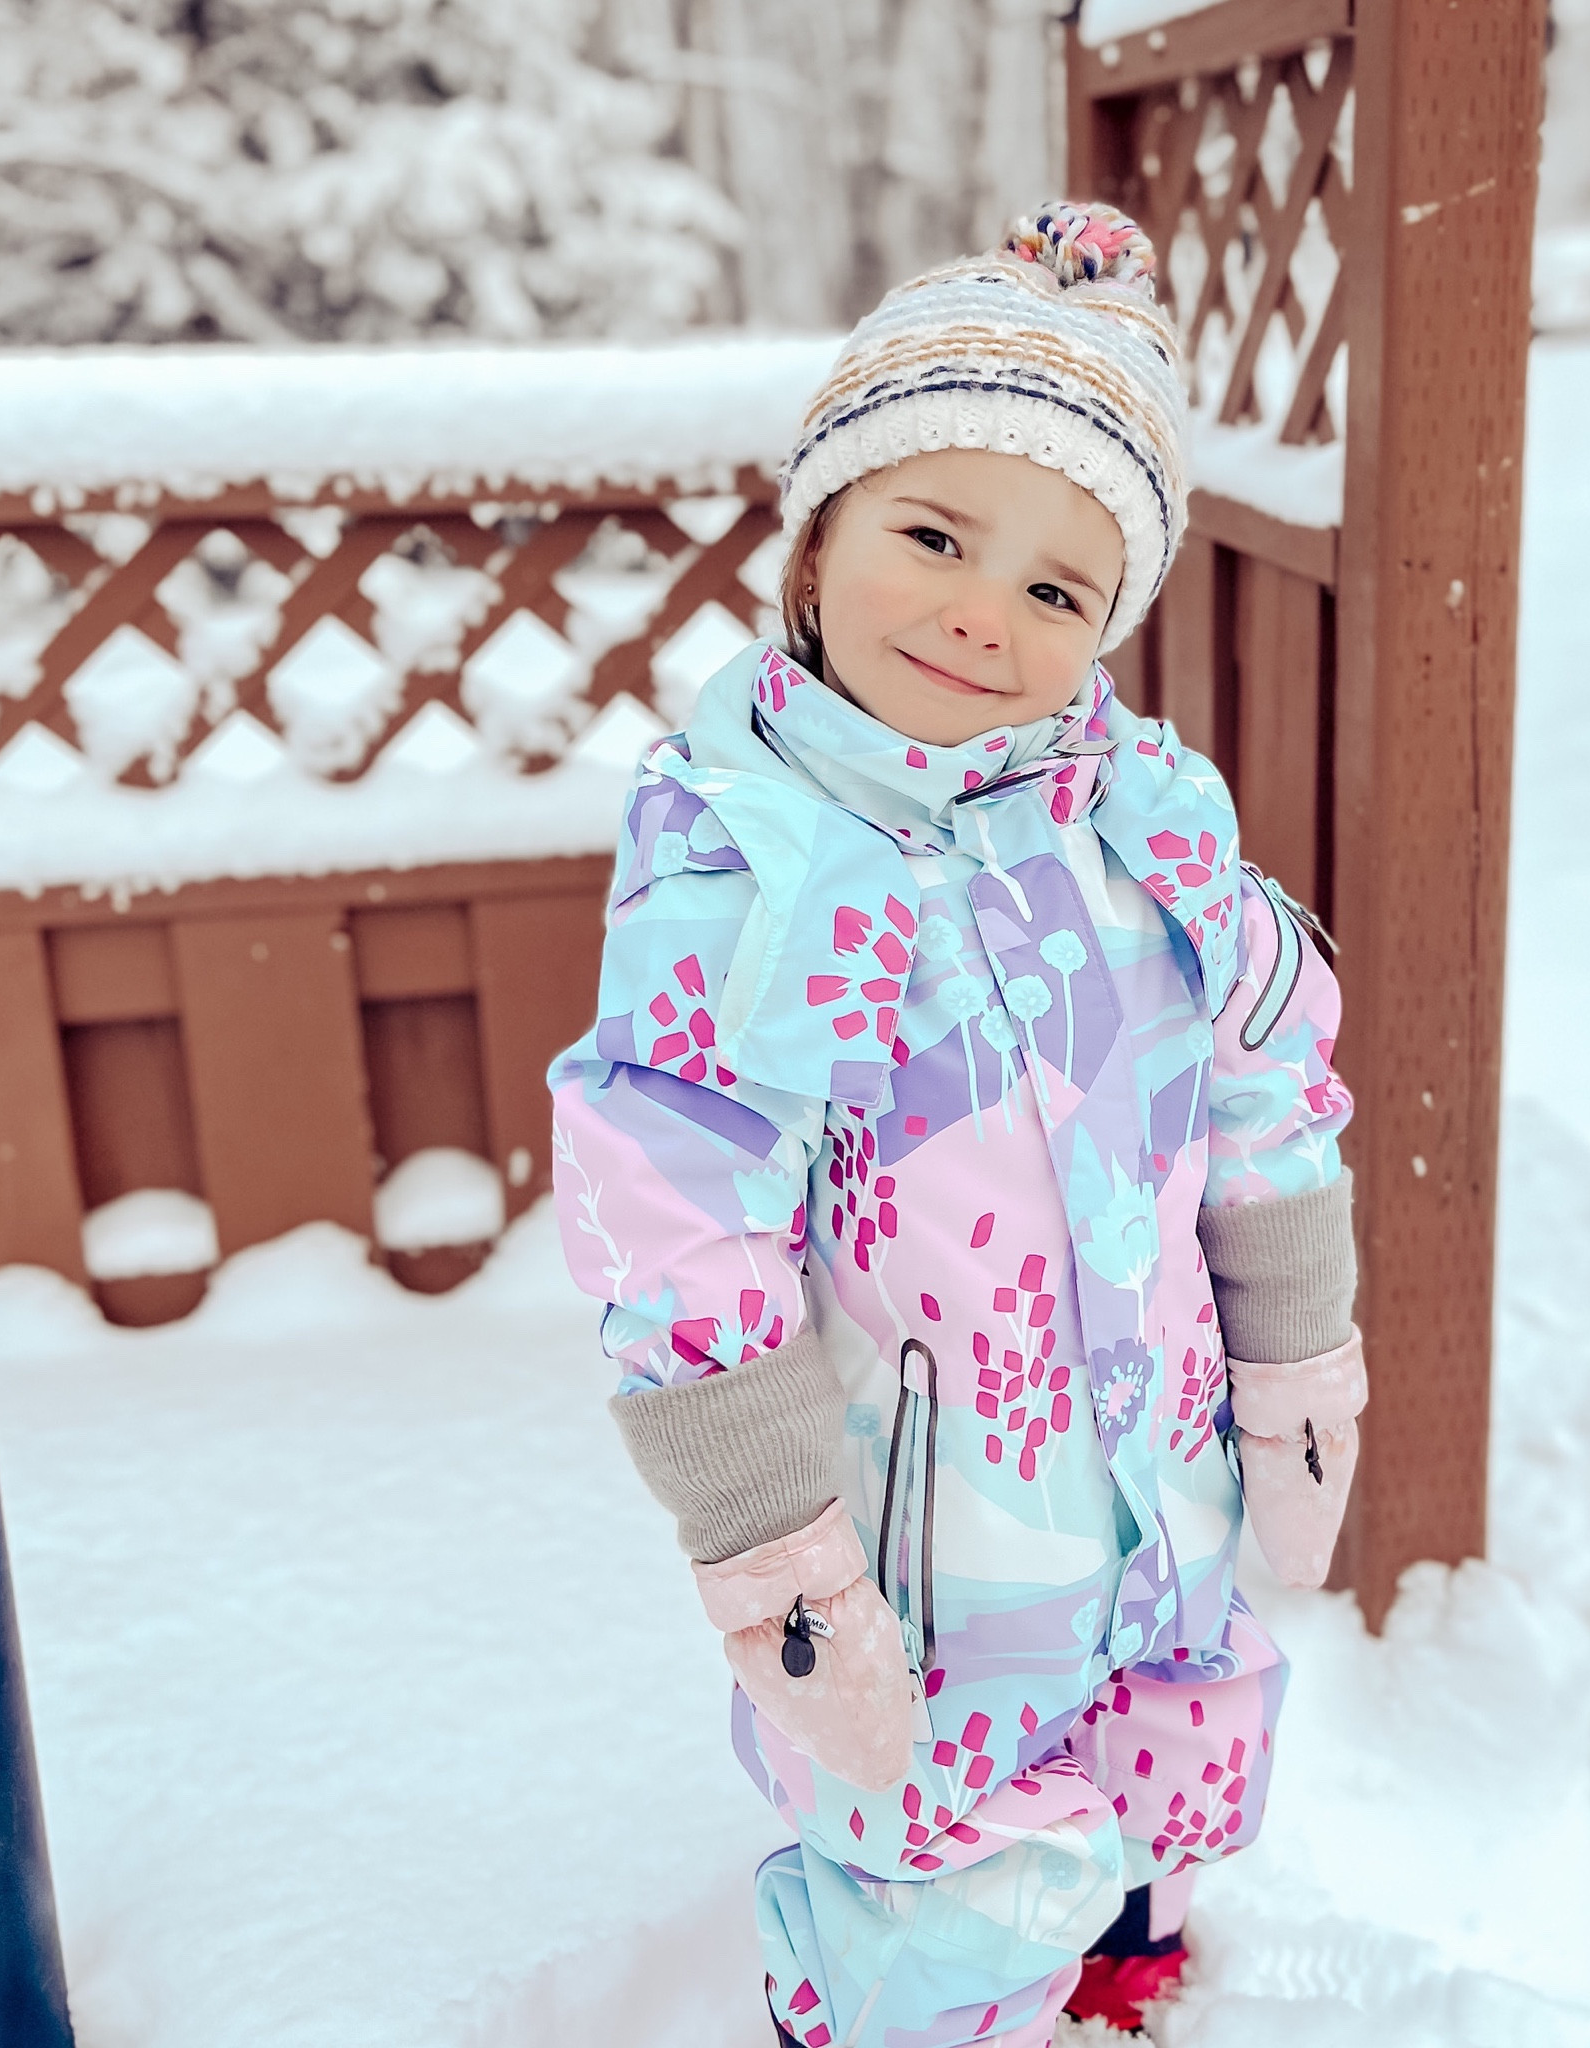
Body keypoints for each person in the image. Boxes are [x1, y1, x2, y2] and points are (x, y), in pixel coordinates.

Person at [548, 201, 1364, 2048]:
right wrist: (776, 1545)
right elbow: (673, 1213)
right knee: (934, 1837)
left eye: (1061, 591)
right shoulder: (758, 862)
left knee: (1162, 1718)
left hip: (1159, 1455)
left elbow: (1263, 1073)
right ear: (819, 537)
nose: (987, 614)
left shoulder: (1145, 819)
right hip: (925, 1517)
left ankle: (1125, 1959)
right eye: (934, 536)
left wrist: (1298, 1361)